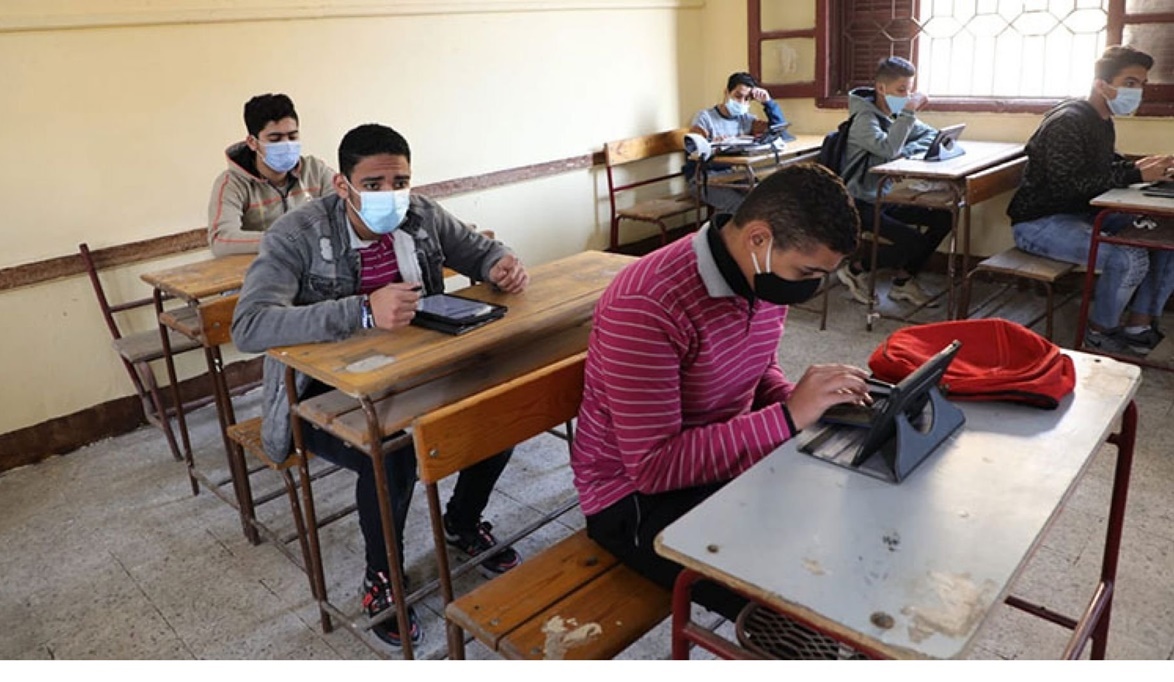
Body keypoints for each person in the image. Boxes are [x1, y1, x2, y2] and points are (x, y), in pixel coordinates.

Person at [231, 123, 529, 649]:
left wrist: (499, 264)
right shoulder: (297, 235)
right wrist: (363, 311)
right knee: (391, 454)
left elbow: (476, 250)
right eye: (373, 184)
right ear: (342, 185)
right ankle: (382, 576)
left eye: (400, 181)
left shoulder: (421, 215)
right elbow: (249, 326)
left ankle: (462, 521)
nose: (390, 194)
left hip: (412, 374)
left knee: (497, 405)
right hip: (319, 395)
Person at [570, 163, 867, 624]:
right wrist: (789, 416)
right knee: (796, 610)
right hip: (631, 500)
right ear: (758, 238)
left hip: (717, 462)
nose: (811, 286)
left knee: (849, 529)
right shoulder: (648, 304)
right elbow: (652, 467)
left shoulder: (760, 275)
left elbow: (756, 369)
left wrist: (811, 403)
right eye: (807, 271)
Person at [1007, 45, 1174, 355]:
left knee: (1167, 236)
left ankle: (1138, 325)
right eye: (1129, 83)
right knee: (1128, 258)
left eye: (1142, 84)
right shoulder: (1068, 121)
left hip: (1082, 213)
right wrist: (1134, 174)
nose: (1137, 92)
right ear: (1101, 84)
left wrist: (1143, 168)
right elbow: (1067, 186)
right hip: (1040, 222)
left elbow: (1100, 166)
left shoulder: (1101, 119)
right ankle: (1098, 333)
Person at [835, 56, 953, 308]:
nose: (907, 96)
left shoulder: (895, 114)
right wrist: (909, 112)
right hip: (856, 202)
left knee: (943, 218)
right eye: (901, 90)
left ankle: (903, 282)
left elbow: (931, 136)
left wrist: (904, 151)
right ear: (881, 88)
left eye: (910, 90)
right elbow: (888, 149)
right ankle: (855, 269)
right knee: (913, 241)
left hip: (880, 197)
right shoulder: (864, 120)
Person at [207, 93, 335, 257]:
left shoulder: (315, 170)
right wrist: (285, 239)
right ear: (252, 143)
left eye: (292, 136)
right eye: (275, 139)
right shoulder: (232, 184)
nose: (287, 145)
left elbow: (346, 214)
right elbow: (221, 241)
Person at [684, 71, 791, 215]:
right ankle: (723, 228)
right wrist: (712, 145)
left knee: (765, 199)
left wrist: (768, 103)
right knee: (740, 206)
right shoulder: (705, 118)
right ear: (726, 93)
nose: (742, 102)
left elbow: (779, 131)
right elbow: (694, 149)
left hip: (733, 175)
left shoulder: (745, 119)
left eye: (747, 99)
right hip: (703, 177)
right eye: (738, 96)